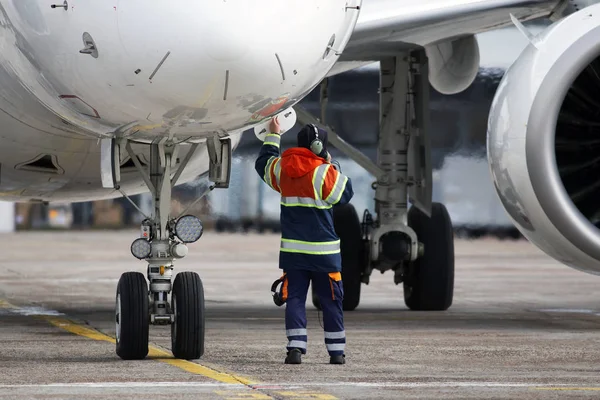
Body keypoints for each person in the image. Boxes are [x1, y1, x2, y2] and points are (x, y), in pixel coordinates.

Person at [255, 116, 354, 365]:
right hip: (325, 254)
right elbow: (345, 194)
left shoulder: (282, 169)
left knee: (295, 299)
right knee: (332, 302)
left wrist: (273, 134)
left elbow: (262, 163)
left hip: (294, 254)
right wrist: (331, 166)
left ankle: (295, 350)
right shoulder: (324, 174)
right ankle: (336, 353)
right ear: (319, 147)